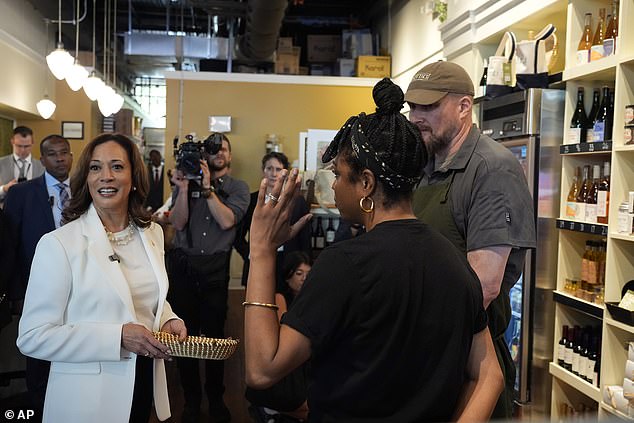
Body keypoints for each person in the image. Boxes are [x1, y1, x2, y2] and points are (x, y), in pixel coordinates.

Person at [244, 78, 503, 422]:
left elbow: (263, 370)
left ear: (366, 183)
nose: (333, 185)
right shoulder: (454, 261)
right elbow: (489, 375)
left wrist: (261, 251)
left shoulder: (344, 265)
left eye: (338, 174)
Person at [16, 133, 187, 423]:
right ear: (86, 178)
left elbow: (143, 298)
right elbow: (32, 337)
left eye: (117, 167)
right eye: (96, 168)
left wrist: (167, 317)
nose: (105, 176)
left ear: (134, 177)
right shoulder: (59, 244)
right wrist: (118, 337)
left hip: (143, 382)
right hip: (86, 399)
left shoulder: (152, 234)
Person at [405, 60, 536, 418]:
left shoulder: (493, 169)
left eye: (429, 107)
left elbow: (484, 284)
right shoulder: (426, 164)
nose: (417, 117)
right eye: (413, 106)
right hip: (426, 354)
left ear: (464, 107)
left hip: (468, 361)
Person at [167, 133, 249, 423]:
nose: (219, 153)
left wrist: (207, 188)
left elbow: (227, 220)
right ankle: (191, 400)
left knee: (214, 337)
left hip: (216, 267)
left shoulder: (238, 187)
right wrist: (184, 188)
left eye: (224, 148)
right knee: (184, 335)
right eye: (213, 149)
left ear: (229, 154)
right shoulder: (185, 181)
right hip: (183, 264)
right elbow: (177, 223)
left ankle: (216, 398)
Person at [4, 134, 73, 421]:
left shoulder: (85, 189)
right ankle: (38, 408)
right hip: (36, 287)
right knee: (40, 352)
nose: (60, 159)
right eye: (53, 154)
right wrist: (15, 293)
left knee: (72, 347)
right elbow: (11, 246)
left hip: (78, 286)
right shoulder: (22, 194)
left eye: (65, 153)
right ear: (41, 160)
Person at [246, 251, 311, 422]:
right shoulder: (280, 298)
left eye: (308, 274)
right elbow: (285, 330)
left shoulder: (311, 299)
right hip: (282, 353)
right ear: (288, 276)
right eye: (299, 273)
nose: (304, 278)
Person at [234, 152, 311, 286]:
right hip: (257, 259)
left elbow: (305, 238)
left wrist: (303, 265)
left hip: (288, 263)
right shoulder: (251, 200)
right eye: (269, 168)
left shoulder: (297, 201)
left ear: (285, 173)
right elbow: (237, 236)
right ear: (263, 171)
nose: (274, 173)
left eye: (278, 169)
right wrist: (250, 254)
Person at [0, 126, 44, 206]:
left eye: (27, 146)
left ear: (32, 143)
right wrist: (4, 189)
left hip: (34, 212)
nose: (23, 150)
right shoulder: (1, 163)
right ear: (12, 142)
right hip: (6, 213)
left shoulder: (42, 166)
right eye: (19, 146)